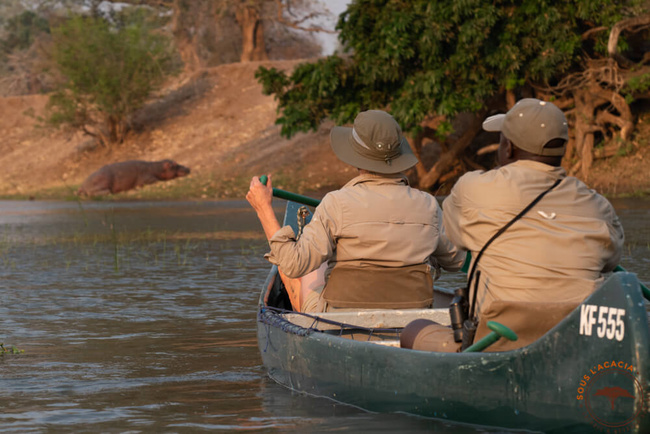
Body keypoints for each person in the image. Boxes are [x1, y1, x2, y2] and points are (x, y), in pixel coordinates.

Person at [401, 98, 624, 352]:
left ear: (507, 148)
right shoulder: (598, 206)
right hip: (575, 342)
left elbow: (456, 237)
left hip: (498, 340)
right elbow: (610, 262)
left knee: (413, 329)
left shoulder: (473, 188)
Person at [246, 110, 466, 313]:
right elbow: (456, 261)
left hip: (339, 323)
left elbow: (294, 264)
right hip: (411, 323)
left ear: (356, 157)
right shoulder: (428, 205)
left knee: (316, 266)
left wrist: (263, 208)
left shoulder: (335, 203)